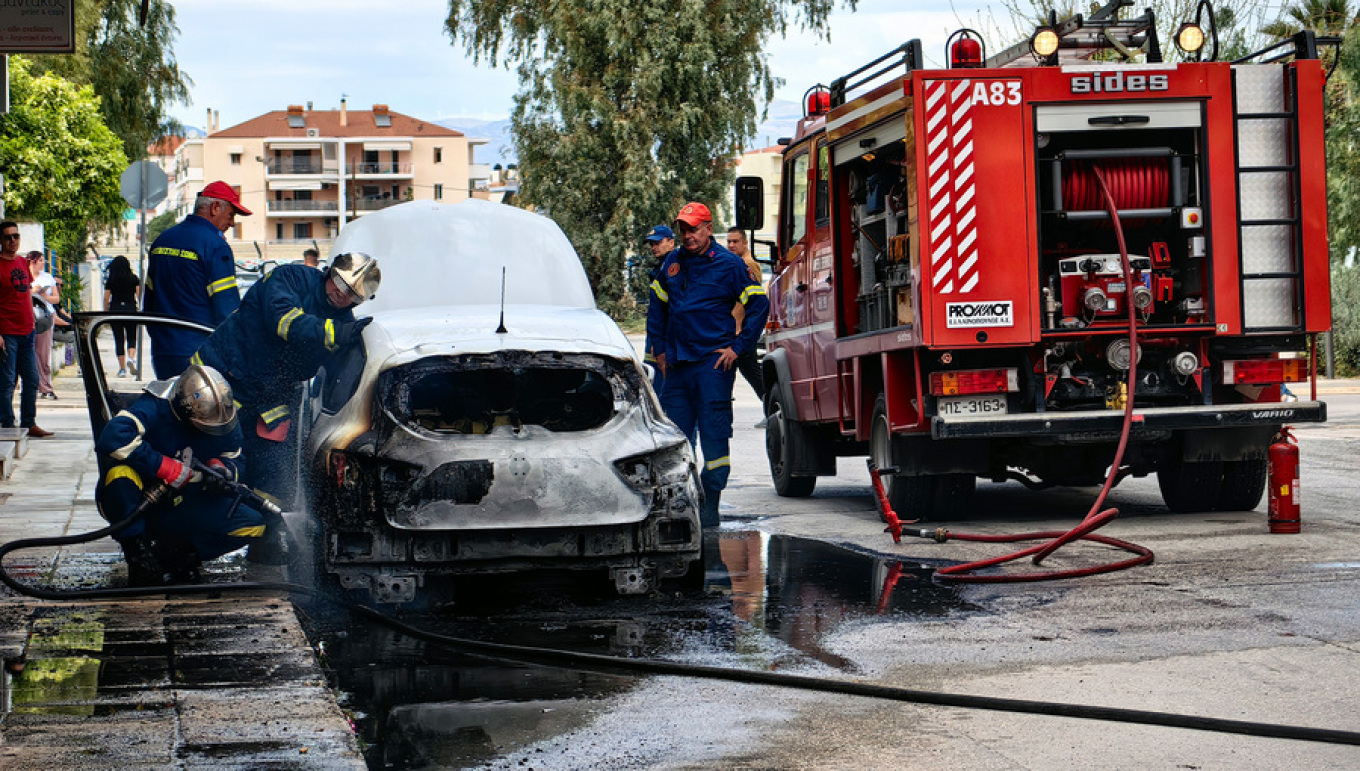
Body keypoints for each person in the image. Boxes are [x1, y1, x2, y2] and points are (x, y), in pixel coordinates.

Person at [192, 252, 380, 506]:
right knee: (203, 454)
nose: (342, 295)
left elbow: (340, 373)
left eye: (353, 296)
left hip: (269, 398)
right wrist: (333, 332)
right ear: (330, 272)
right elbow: (283, 322)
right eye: (342, 285)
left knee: (278, 470)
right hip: (219, 376)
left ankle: (266, 526)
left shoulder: (344, 325)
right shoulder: (290, 277)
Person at [646, 203, 768, 527]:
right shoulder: (672, 263)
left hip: (712, 367)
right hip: (677, 368)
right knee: (675, 441)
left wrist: (738, 349)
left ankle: (711, 501)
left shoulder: (729, 265)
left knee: (715, 443)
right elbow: (656, 308)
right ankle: (681, 504)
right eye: (683, 229)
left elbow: (759, 305)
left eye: (693, 229)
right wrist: (659, 353)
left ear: (708, 228)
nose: (687, 235)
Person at [95, 364, 263, 586]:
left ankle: (181, 555)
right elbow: (112, 438)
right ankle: (138, 556)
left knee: (254, 524)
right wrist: (161, 466)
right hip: (141, 502)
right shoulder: (156, 404)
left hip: (186, 501)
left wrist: (221, 469)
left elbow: (235, 455)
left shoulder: (222, 414)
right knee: (119, 474)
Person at [143, 180, 251, 379]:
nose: (233, 223)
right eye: (231, 215)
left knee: (171, 407)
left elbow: (149, 302)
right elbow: (227, 311)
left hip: (163, 353)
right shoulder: (215, 246)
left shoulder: (162, 240)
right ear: (215, 207)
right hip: (201, 355)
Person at [0, 223, 50, 438]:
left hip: (27, 331)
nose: (13, 241)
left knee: (31, 379)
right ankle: (7, 422)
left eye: (16, 236)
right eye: (8, 237)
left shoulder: (22, 262)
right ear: (1, 241)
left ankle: (29, 423)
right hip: (7, 331)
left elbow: (26, 294)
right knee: (8, 380)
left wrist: (31, 320)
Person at [725, 227, 766, 424]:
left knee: (750, 370)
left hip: (742, 330)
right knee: (744, 369)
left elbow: (748, 302)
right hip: (737, 329)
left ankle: (772, 406)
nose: (731, 245)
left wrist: (739, 327)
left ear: (744, 243)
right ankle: (771, 406)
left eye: (735, 242)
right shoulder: (737, 262)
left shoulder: (748, 264)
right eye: (729, 242)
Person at [641, 225, 675, 393]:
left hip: (665, 339)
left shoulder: (674, 268)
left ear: (671, 242)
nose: (654, 248)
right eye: (651, 244)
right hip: (656, 340)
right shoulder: (661, 268)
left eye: (658, 243)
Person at [27, 251, 59, 399]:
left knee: (43, 353)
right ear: (32, 262)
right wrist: (31, 291)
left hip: (45, 316)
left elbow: (56, 299)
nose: (43, 263)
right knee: (28, 353)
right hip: (28, 315)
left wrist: (44, 295)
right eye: (40, 260)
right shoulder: (24, 277)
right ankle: (31, 385)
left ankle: (46, 386)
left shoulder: (48, 277)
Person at [103, 255, 142, 378]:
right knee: (132, 336)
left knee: (119, 339)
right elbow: (139, 294)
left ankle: (123, 369)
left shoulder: (111, 280)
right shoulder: (133, 278)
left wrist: (106, 310)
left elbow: (106, 298)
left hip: (115, 310)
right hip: (130, 309)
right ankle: (131, 358)